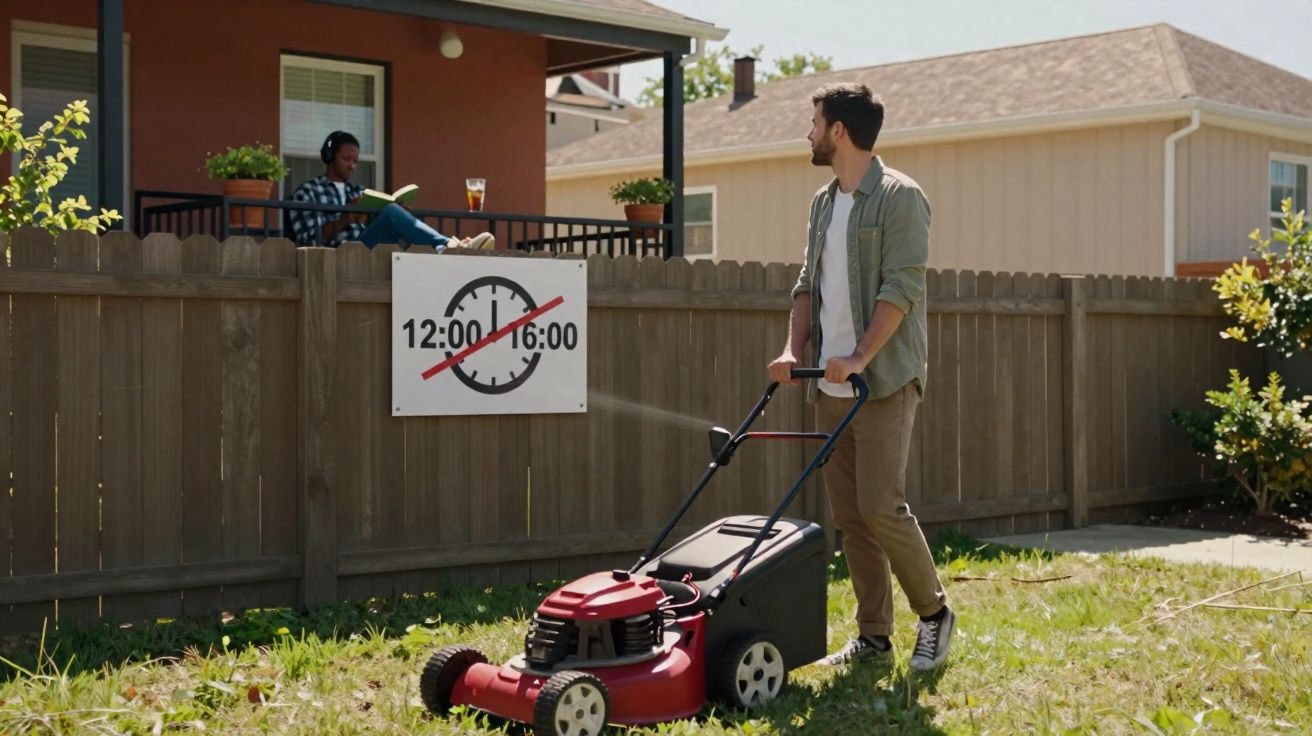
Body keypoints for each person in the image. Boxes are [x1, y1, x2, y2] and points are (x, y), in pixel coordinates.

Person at [767, 83, 954, 671]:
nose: (808, 133)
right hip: (830, 385)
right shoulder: (823, 204)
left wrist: (860, 356)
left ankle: (935, 614)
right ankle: (874, 636)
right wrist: (792, 349)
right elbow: (807, 285)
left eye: (814, 122)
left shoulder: (901, 198)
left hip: (885, 381)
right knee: (850, 516)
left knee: (881, 506)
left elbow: (903, 287)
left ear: (838, 130)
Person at [287, 130, 495, 250]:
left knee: (395, 215)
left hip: (367, 252)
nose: (352, 166)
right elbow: (306, 242)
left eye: (356, 161)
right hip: (336, 258)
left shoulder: (358, 192)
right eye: (346, 159)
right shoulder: (307, 192)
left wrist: (401, 214)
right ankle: (449, 247)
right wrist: (345, 218)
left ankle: (449, 250)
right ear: (330, 156)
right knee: (392, 214)